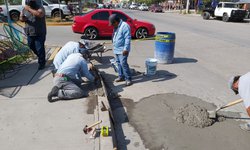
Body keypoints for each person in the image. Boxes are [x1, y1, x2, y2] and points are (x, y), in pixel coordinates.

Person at [20, 0, 47, 70]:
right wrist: (22, 18)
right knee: (31, 46)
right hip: (30, 32)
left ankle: (42, 63)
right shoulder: (24, 9)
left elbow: (40, 14)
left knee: (40, 48)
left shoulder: (40, 7)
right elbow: (21, 18)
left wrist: (29, 9)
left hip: (39, 32)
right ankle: (41, 57)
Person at [109, 14, 132, 86]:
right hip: (117, 49)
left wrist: (126, 49)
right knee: (118, 63)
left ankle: (128, 79)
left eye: (113, 24)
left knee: (123, 64)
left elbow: (127, 38)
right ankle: (121, 76)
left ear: (116, 22)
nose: (112, 26)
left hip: (122, 50)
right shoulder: (116, 26)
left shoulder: (124, 26)